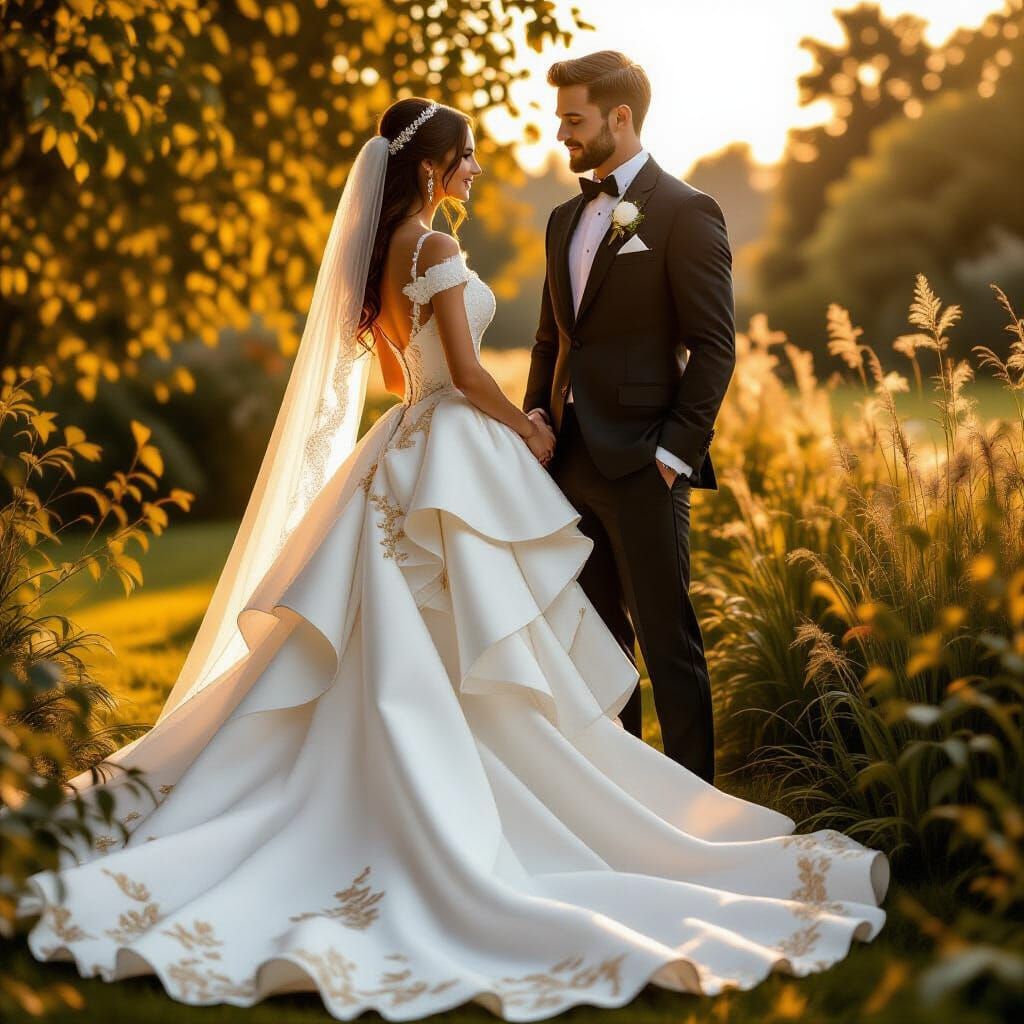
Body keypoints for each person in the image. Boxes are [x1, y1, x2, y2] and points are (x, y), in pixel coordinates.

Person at [15, 96, 889, 1021]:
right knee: (465, 622)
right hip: (453, 441)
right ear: (432, 168)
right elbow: (466, 374)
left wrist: (459, 400)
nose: (476, 170)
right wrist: (527, 428)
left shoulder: (381, 251)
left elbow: (405, 376)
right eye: (466, 157)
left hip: (404, 442)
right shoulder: (433, 247)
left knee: (409, 626)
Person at [525, 51, 731, 785]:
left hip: (646, 462)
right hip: (569, 460)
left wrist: (674, 456)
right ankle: (626, 804)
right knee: (597, 648)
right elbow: (553, 338)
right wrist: (534, 426)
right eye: (561, 120)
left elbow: (713, 346)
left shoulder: (686, 211)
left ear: (621, 117)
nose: (562, 134)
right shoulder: (561, 219)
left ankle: (700, 811)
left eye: (573, 119)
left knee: (668, 646)